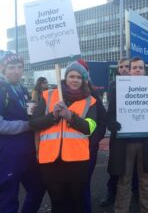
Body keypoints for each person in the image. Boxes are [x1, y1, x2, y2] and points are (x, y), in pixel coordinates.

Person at [30, 60, 97, 213]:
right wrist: (53, 116)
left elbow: (89, 128)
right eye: (71, 76)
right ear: (65, 78)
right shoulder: (48, 95)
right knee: (57, 202)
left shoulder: (90, 101)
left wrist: (70, 116)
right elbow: (33, 123)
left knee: (76, 201)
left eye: (79, 77)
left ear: (83, 80)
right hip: (50, 160)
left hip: (77, 161)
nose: (75, 80)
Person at [107, 57, 148, 213]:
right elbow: (111, 113)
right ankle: (121, 210)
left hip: (147, 142)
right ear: (130, 70)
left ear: (144, 70)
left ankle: (147, 209)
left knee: (146, 180)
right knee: (124, 180)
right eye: (134, 68)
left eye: (140, 67)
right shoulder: (119, 87)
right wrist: (112, 123)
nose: (137, 70)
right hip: (125, 143)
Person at [0, 53, 44, 213]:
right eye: (11, 67)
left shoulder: (23, 89)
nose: (16, 71)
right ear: (2, 69)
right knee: (8, 199)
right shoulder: (1, 89)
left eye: (20, 67)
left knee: (38, 188)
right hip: (8, 155)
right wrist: (28, 125)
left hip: (28, 152)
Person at [100, 57, 139, 207]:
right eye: (121, 67)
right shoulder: (113, 85)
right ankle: (111, 193)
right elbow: (110, 109)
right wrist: (111, 123)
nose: (124, 69)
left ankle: (136, 192)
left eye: (127, 66)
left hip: (136, 132)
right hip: (119, 132)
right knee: (116, 165)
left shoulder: (141, 84)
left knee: (136, 166)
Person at [74, 59, 107, 213]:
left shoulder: (94, 95)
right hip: (68, 151)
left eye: (81, 73)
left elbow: (101, 122)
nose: (77, 78)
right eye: (73, 75)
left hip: (88, 149)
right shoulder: (62, 95)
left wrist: (93, 142)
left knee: (84, 184)